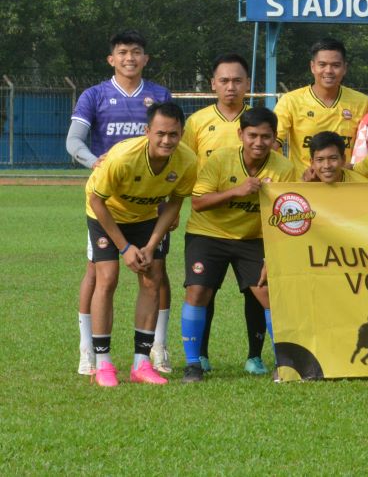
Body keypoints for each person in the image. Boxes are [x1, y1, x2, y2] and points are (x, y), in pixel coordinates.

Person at [67, 30, 172, 376]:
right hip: (107, 203)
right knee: (100, 275)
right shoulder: (95, 95)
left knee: (156, 273)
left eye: (136, 52)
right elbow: (74, 141)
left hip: (150, 202)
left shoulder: (159, 95)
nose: (130, 58)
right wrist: (95, 162)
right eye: (123, 52)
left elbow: (172, 143)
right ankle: (88, 349)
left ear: (146, 59)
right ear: (111, 59)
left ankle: (157, 347)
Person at [179, 106, 294, 383]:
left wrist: (273, 256)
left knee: (268, 293)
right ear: (241, 134)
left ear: (274, 138)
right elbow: (198, 202)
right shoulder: (220, 159)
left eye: (266, 136)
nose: (259, 142)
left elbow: (288, 217)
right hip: (208, 234)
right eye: (252, 135)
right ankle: (193, 364)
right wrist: (236, 191)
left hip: (253, 239)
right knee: (197, 291)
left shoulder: (285, 168)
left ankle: (284, 362)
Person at [86, 101, 196, 386]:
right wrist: (125, 248)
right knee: (107, 278)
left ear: (182, 134)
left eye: (173, 134)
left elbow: (175, 203)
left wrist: (150, 245)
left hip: (146, 216)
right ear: (147, 131)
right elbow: (97, 201)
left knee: (152, 278)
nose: (166, 140)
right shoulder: (123, 157)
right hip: (105, 213)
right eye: (160, 133)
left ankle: (141, 363)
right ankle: (103, 363)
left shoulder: (187, 161)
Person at [180, 53, 268, 376]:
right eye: (224, 80)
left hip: (251, 227)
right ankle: (198, 357)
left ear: (248, 84)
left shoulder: (260, 122)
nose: (231, 87)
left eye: (237, 81)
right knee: (203, 289)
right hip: (208, 224)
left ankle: (256, 356)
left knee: (259, 292)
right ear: (213, 84)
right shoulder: (197, 122)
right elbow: (184, 166)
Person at [274, 38, 368, 177]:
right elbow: (272, 144)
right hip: (304, 185)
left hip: (347, 184)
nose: (329, 71)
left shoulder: (362, 103)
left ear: (345, 68)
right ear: (312, 67)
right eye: (322, 64)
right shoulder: (290, 101)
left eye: (335, 65)